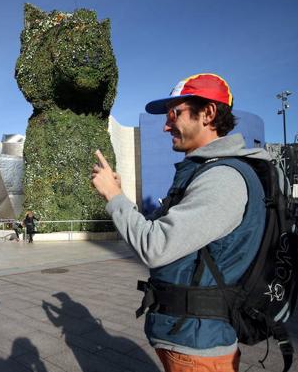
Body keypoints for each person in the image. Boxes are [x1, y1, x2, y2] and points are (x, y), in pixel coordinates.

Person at [91, 73, 271, 372]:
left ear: (208, 113)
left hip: (199, 344)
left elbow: (155, 246)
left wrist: (114, 197)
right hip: (188, 335)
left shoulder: (222, 178)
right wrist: (120, 194)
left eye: (175, 113)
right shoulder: (206, 171)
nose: (165, 124)